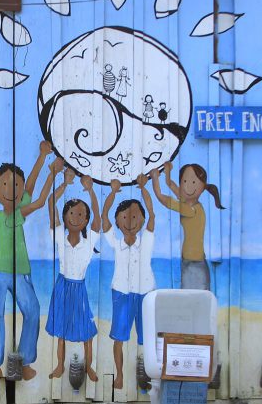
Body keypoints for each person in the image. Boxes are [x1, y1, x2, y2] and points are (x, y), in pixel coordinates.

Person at [0, 141, 60, 380]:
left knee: (33, 310)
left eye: (15, 184)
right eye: (5, 184)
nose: (12, 188)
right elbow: (37, 201)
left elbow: (31, 186)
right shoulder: (5, 215)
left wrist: (41, 157)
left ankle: (26, 361)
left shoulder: (16, 209)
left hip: (20, 272)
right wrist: (53, 172)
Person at [45, 168, 101, 381]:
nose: (76, 218)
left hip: (79, 287)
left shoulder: (89, 243)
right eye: (71, 213)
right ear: (65, 217)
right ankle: (60, 365)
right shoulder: (60, 236)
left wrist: (91, 191)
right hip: (62, 285)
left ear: (86, 219)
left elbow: (99, 220)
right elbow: (51, 203)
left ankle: (89, 367)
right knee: (61, 328)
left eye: (81, 214)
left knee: (87, 330)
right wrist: (65, 184)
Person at [102, 175, 155, 390]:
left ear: (141, 220)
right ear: (118, 221)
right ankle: (120, 375)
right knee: (119, 337)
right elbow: (103, 216)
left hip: (145, 293)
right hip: (121, 293)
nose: (130, 221)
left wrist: (143, 188)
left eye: (135, 217)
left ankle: (148, 373)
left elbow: (153, 213)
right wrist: (113, 192)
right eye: (125, 217)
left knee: (147, 338)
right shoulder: (115, 242)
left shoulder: (147, 241)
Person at [150, 162, 224, 291]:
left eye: (194, 182)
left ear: (203, 187)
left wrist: (155, 179)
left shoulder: (192, 209)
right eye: (184, 181)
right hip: (190, 262)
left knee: (193, 303)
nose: (188, 186)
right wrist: (167, 174)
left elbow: (163, 199)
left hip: (195, 265)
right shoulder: (191, 203)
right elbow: (173, 187)